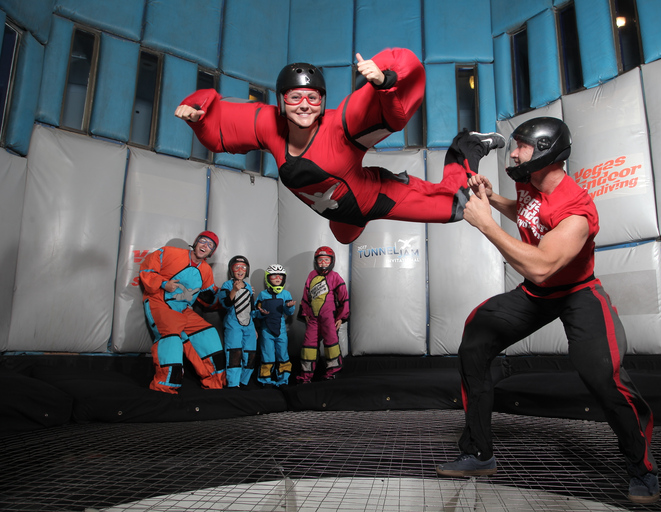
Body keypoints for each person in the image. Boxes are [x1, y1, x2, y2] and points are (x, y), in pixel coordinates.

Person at [436, 117, 659, 505]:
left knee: (604, 376)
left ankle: (642, 468)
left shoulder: (576, 210)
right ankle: (478, 453)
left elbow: (541, 266)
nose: (514, 152)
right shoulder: (531, 182)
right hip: (539, 294)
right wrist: (493, 199)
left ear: (544, 152)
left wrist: (485, 224)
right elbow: (526, 213)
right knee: (477, 334)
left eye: (521, 146)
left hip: (577, 291)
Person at [174, 48, 505, 244]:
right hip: (342, 217)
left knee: (456, 209)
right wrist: (199, 117)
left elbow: (391, 114)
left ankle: (466, 147)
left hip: (374, 197)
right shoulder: (268, 126)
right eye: (295, 97)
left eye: (313, 97)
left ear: (322, 101)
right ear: (280, 101)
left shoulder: (340, 126)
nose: (304, 105)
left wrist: (386, 82)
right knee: (344, 237)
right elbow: (222, 127)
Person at [139, 231, 226, 394]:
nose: (205, 246)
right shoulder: (169, 253)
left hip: (183, 310)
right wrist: (164, 284)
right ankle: (165, 387)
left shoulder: (206, 270)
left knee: (208, 333)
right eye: (203, 241)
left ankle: (214, 382)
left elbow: (208, 297)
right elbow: (147, 270)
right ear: (196, 242)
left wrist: (228, 297)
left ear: (211, 252)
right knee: (171, 336)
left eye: (210, 245)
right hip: (159, 302)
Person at [296, 247, 350, 383]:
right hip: (313, 319)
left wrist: (341, 317)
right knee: (308, 345)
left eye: (326, 260)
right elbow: (305, 296)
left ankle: (333, 373)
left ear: (332, 261)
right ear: (316, 261)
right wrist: (305, 313)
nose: (323, 263)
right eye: (320, 260)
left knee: (331, 344)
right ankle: (305, 376)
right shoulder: (311, 275)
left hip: (329, 318)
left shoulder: (335, 277)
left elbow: (344, 298)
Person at [216, 255, 258, 388]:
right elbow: (225, 304)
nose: (240, 270)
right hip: (233, 325)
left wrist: (255, 327)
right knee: (234, 354)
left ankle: (244, 382)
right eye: (237, 267)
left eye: (243, 267)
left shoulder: (249, 287)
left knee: (250, 354)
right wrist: (234, 290)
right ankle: (233, 384)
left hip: (249, 325)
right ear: (231, 270)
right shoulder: (227, 285)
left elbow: (251, 309)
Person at [254, 264, 296, 387]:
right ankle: (265, 380)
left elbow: (290, 313)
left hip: (281, 330)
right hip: (266, 331)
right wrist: (260, 313)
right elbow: (255, 312)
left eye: (280, 276)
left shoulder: (286, 294)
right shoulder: (262, 295)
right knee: (267, 355)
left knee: (283, 355)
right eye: (274, 276)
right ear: (268, 278)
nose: (277, 278)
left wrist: (289, 306)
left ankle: (283, 380)